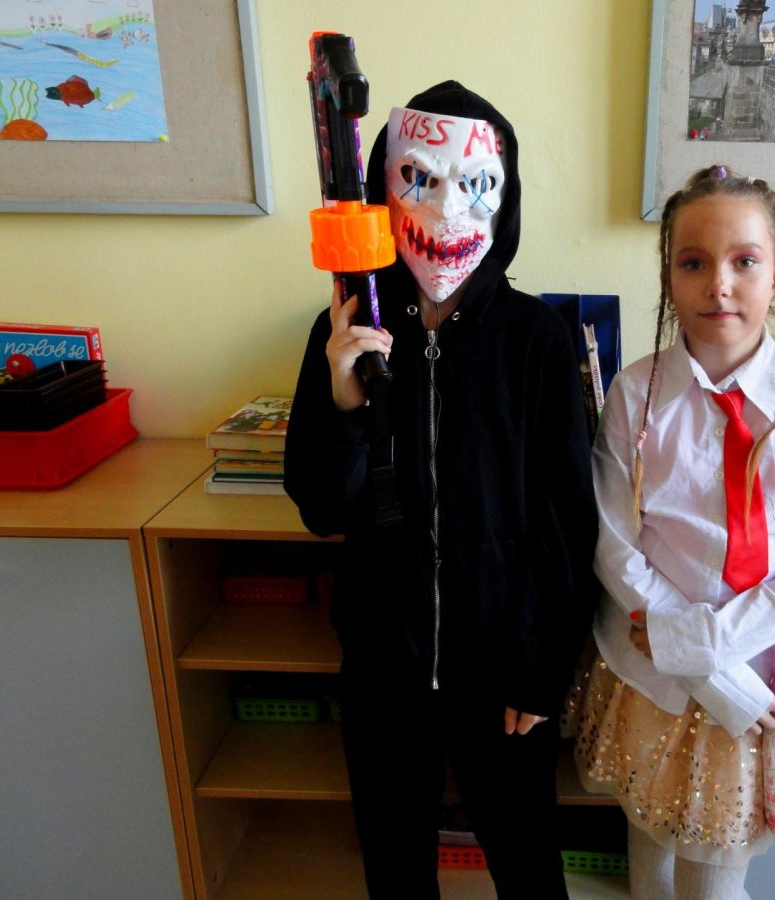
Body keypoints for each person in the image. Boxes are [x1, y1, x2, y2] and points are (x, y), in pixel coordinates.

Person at [285, 81, 599, 900]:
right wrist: (346, 402)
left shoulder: (537, 341)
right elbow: (322, 508)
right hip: (383, 669)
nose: (445, 205)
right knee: (394, 870)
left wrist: (540, 670)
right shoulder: (342, 329)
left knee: (528, 866)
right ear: (383, 189)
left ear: (505, 194)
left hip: (502, 668)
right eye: (418, 178)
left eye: (474, 183)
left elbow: (566, 522)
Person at [573, 166, 775, 899]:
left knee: (714, 881)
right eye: (693, 263)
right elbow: (614, 545)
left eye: (744, 261)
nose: (718, 285)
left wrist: (710, 655)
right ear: (668, 279)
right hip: (650, 675)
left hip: (759, 684)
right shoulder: (634, 393)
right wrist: (697, 666)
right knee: (650, 851)